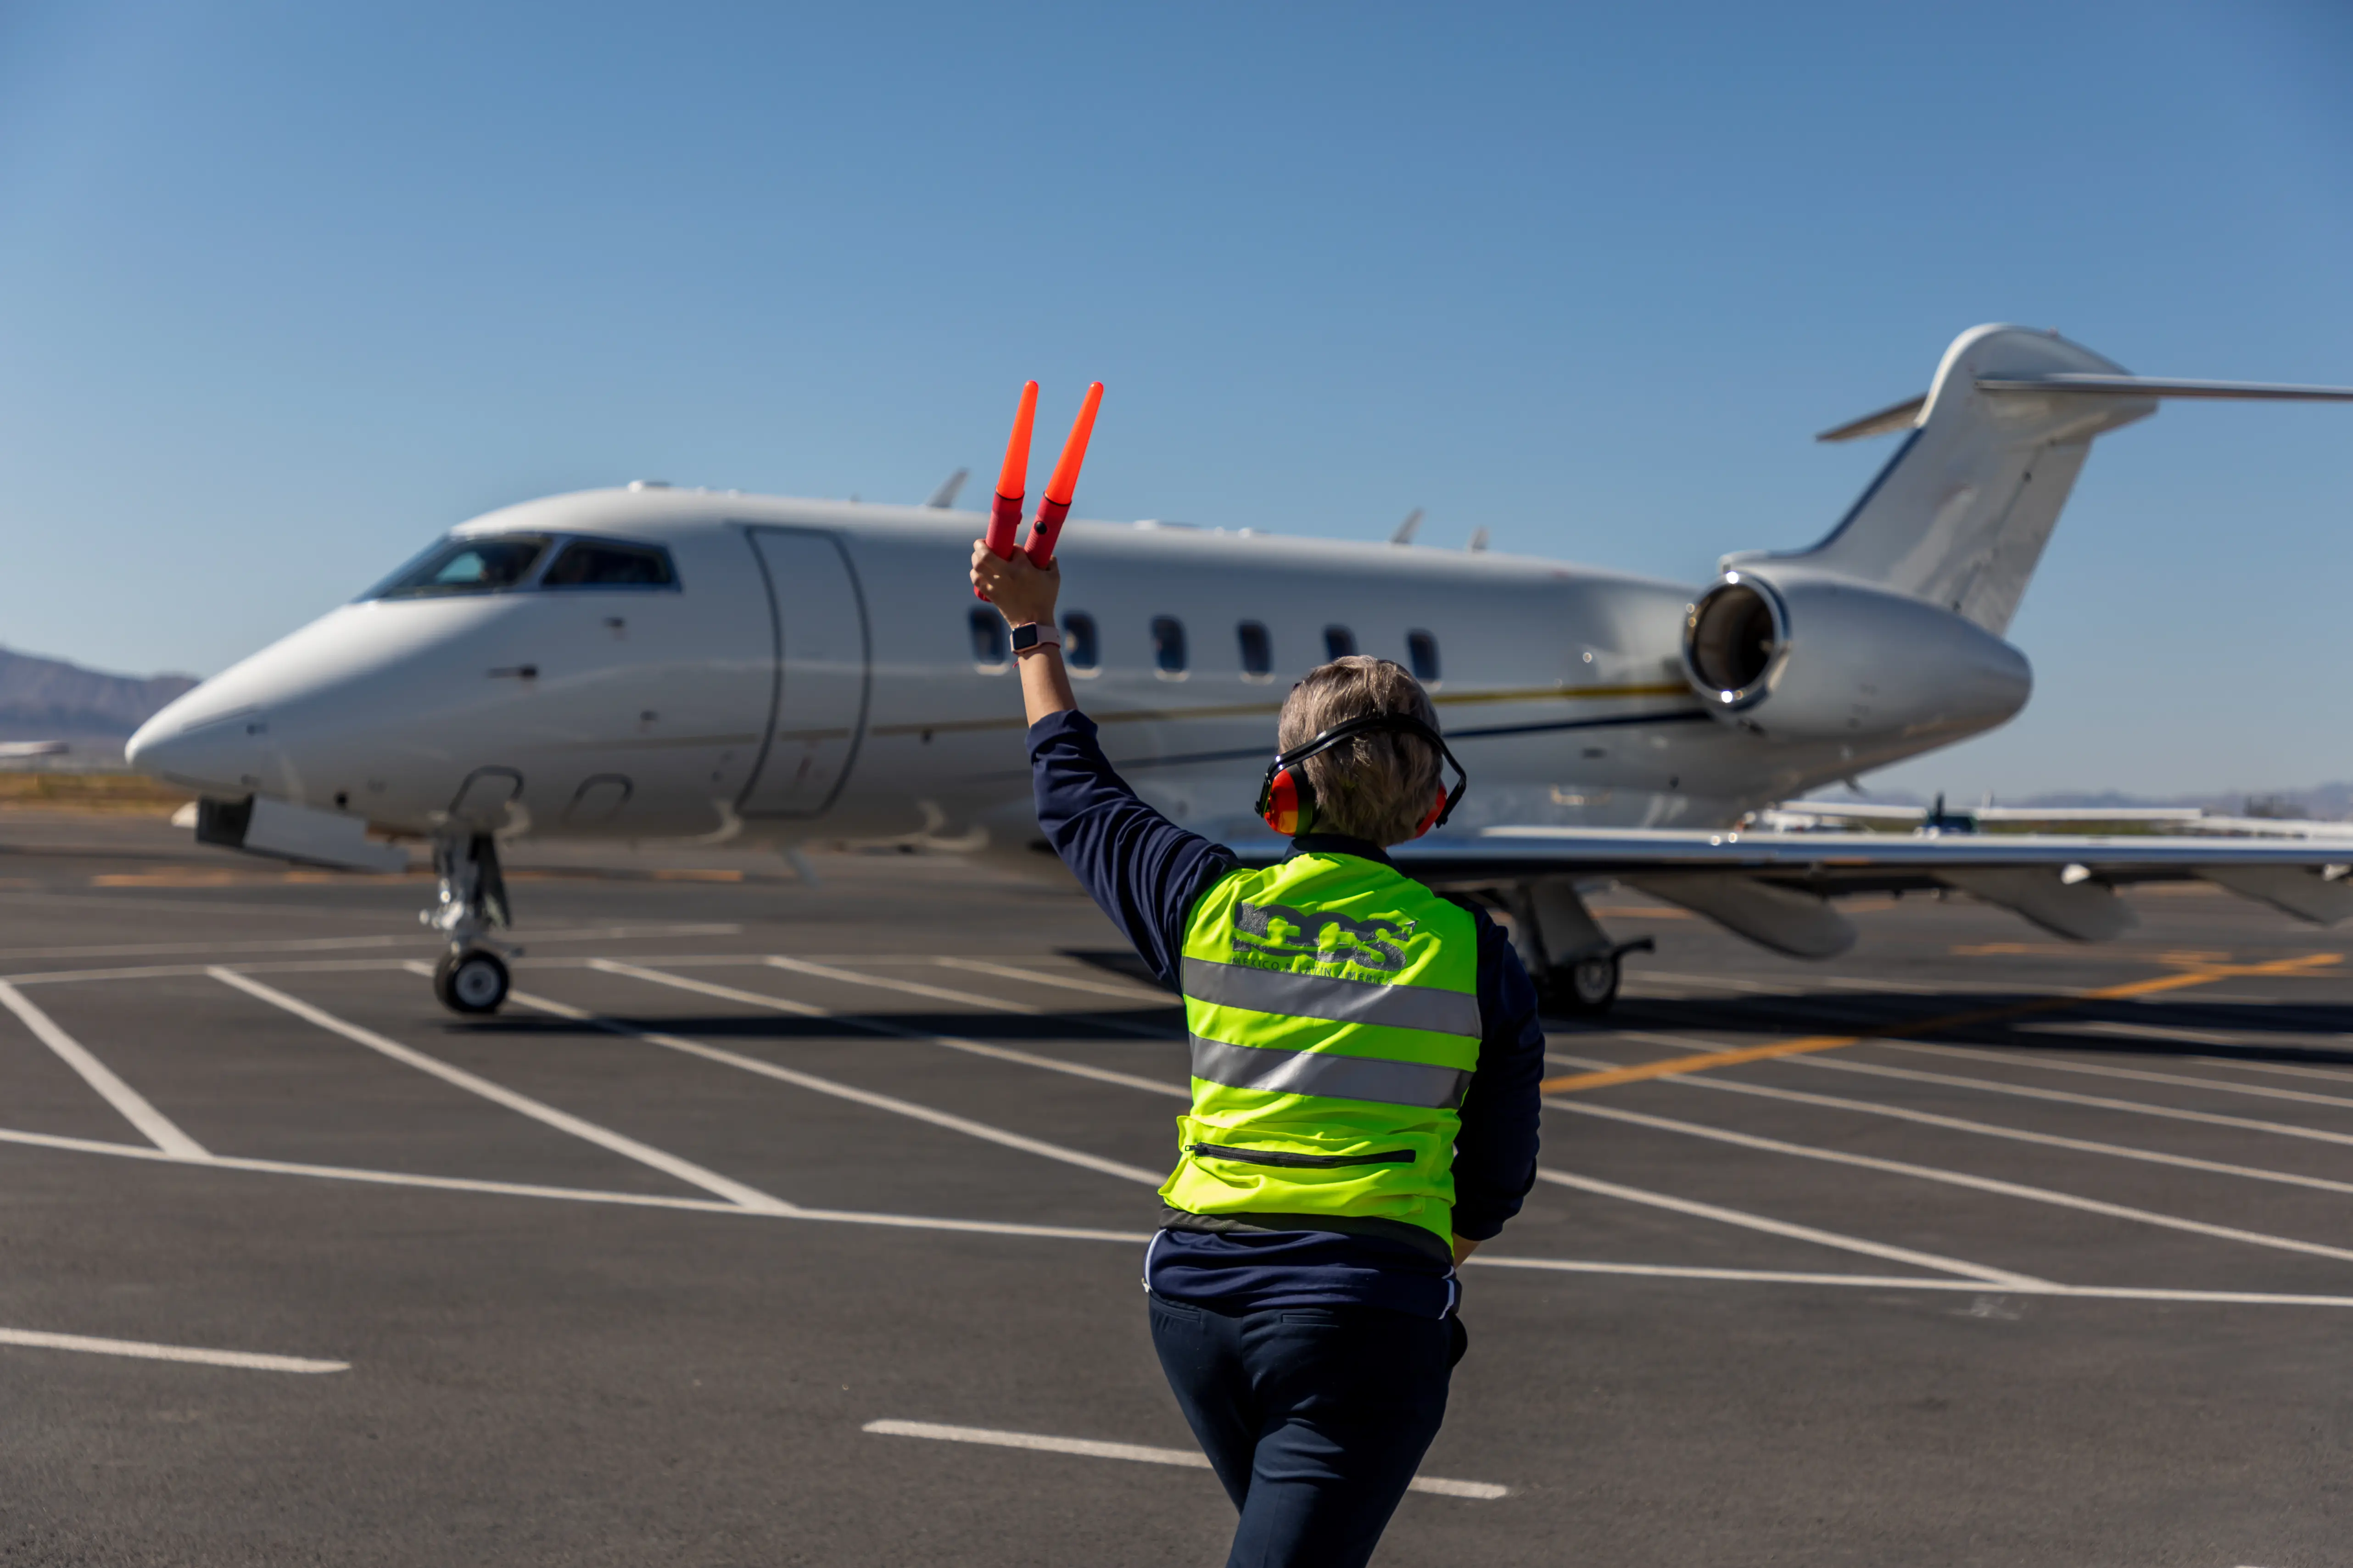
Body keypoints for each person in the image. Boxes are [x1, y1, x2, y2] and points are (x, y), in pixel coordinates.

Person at [971, 540, 1544, 1568]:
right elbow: (1495, 1179)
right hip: (1360, 1326)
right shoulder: (1476, 958)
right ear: (1429, 808)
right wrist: (1407, 1263)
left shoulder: (1207, 903)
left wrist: (1032, 629)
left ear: (1282, 794)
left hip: (1196, 1312)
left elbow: (1073, 786)